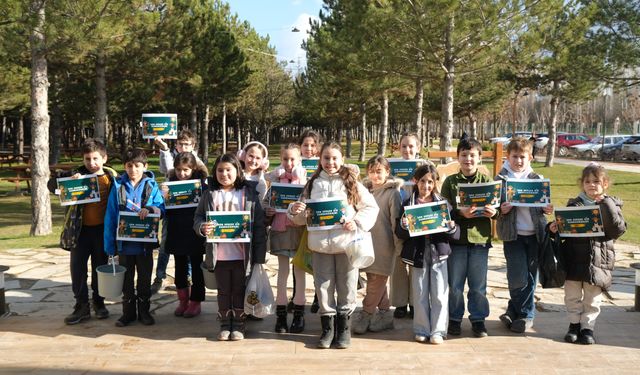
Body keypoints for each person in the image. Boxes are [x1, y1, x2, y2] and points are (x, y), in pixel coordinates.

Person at [288, 142, 379, 349]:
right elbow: (301, 218)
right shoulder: (312, 184)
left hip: (346, 246)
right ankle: (328, 329)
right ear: (320, 160)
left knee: (347, 287)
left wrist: (355, 222)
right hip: (320, 246)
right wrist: (295, 210)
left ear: (342, 159)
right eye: (326, 158)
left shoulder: (352, 183)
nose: (331, 162)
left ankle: (343, 329)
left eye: (335, 158)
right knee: (323, 287)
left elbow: (370, 207)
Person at [548, 163, 626, 344]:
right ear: (582, 184)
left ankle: (587, 328)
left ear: (605, 184)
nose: (592, 185)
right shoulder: (574, 204)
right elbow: (565, 228)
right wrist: (553, 228)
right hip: (574, 258)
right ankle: (573, 325)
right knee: (572, 296)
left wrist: (605, 204)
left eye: (596, 181)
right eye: (587, 181)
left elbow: (617, 229)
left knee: (592, 299)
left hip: (598, 261)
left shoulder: (612, 205)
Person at [193, 153, 267, 341]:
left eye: (228, 170)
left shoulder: (249, 193)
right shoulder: (209, 193)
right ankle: (225, 323)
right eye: (220, 170)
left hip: (242, 255)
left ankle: (240, 324)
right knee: (224, 290)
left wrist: (259, 257)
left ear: (238, 171)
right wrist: (202, 227)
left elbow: (259, 225)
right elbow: (198, 217)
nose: (224, 174)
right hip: (220, 254)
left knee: (240, 290)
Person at [47, 139, 117, 325]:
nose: (91, 163)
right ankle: (81, 305)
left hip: (103, 231)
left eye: (95, 158)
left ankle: (99, 302)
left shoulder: (112, 177)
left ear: (104, 158)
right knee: (77, 268)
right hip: (79, 231)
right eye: (87, 159)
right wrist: (67, 182)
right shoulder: (76, 173)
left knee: (99, 268)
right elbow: (51, 184)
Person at [495, 137, 553, 333]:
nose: (518, 161)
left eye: (522, 157)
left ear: (530, 158)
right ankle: (516, 310)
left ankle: (524, 315)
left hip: (536, 235)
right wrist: (500, 210)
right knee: (517, 276)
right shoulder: (501, 179)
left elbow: (544, 206)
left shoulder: (537, 180)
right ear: (508, 157)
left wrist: (547, 209)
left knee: (530, 276)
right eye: (515, 157)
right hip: (513, 235)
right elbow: (492, 208)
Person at [395, 164, 458, 345]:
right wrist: (404, 226)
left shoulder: (442, 203)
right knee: (420, 292)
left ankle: (438, 331)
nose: (426, 186)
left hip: (439, 252)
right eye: (422, 181)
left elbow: (455, 232)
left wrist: (451, 227)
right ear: (416, 181)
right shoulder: (408, 203)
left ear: (435, 182)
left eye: (430, 182)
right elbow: (399, 232)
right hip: (418, 253)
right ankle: (421, 329)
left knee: (439, 293)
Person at [440, 138, 497, 338]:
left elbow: (497, 210)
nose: (468, 159)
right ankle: (455, 318)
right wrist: (459, 213)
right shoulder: (450, 182)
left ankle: (478, 319)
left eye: (472, 155)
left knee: (478, 285)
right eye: (464, 155)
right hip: (457, 241)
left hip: (480, 240)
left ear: (479, 158)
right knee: (455, 284)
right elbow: (443, 211)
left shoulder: (487, 182)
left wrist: (493, 213)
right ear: (458, 158)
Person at [104, 148, 165, 327]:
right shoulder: (117, 187)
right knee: (127, 281)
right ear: (124, 166)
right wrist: (110, 245)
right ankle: (128, 313)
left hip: (144, 245)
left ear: (144, 166)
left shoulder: (151, 186)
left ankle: (144, 312)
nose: (133, 170)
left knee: (145, 279)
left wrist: (152, 210)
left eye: (137, 166)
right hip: (124, 244)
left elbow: (162, 209)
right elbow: (111, 215)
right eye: (129, 166)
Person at [352, 155, 403, 335]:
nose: (375, 175)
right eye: (372, 171)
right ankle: (385, 315)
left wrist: (399, 248)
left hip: (384, 246)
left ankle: (366, 313)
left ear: (387, 172)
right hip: (365, 244)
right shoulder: (365, 192)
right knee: (375, 280)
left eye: (379, 171)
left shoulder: (393, 193)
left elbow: (396, 222)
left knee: (376, 281)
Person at [264, 143, 308, 333]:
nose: (289, 163)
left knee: (299, 271)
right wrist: (268, 209)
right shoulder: (275, 181)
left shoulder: (306, 181)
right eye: (285, 159)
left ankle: (299, 313)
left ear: (299, 160)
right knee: (282, 273)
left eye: (293, 159)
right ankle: (281, 315)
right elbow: (266, 201)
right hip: (280, 231)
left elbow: (311, 203)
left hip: (298, 231)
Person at [152, 130, 202, 294]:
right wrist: (165, 150)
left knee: (192, 258)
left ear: (193, 145)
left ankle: (190, 285)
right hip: (173, 215)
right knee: (167, 246)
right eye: (180, 144)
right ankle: (160, 276)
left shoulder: (198, 165)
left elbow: (203, 186)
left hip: (192, 218)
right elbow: (167, 170)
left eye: (187, 144)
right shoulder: (171, 160)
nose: (183, 147)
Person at [160, 153, 209, 318]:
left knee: (197, 267)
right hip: (176, 230)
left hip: (194, 231)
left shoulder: (202, 185)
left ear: (193, 168)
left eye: (186, 170)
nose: (182, 173)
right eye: (179, 170)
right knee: (179, 267)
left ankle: (196, 302)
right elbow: (162, 209)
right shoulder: (170, 184)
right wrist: (164, 195)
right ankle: (183, 300)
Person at [392, 132, 432, 319]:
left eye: (411, 146)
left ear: (418, 148)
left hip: (419, 218)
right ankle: (400, 303)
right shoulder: (392, 167)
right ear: (399, 148)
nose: (408, 150)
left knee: (416, 263)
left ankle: (416, 302)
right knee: (398, 262)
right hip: (398, 218)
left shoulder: (426, 166)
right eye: (404, 146)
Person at [298, 129, 323, 314]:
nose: (309, 148)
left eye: (313, 145)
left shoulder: (322, 165)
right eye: (305, 145)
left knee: (316, 258)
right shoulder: (293, 163)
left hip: (317, 218)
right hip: (298, 217)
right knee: (298, 259)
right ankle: (297, 296)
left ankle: (317, 296)